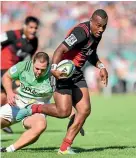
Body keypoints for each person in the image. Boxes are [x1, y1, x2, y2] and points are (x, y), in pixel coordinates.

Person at [15, 9, 109, 154]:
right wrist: (53, 69)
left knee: (84, 110)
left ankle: (65, 147)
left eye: (104, 26)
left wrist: (101, 66)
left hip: (77, 74)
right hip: (63, 73)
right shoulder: (80, 32)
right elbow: (59, 50)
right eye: (98, 25)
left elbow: (91, 53)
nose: (101, 29)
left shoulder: (97, 34)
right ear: (91, 21)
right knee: (63, 112)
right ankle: (33, 108)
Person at [0, 52, 52, 152]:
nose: (39, 72)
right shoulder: (23, 66)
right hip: (18, 103)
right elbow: (6, 77)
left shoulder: (53, 75)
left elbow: (63, 98)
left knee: (40, 125)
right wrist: (10, 93)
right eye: (37, 68)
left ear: (48, 65)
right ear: (33, 63)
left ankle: (8, 150)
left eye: (43, 69)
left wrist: (71, 115)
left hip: (36, 109)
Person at [0, 16, 39, 133]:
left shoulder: (34, 42)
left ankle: (4, 119)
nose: (33, 30)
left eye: (35, 28)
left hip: (13, 71)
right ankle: (16, 118)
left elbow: (27, 60)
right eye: (31, 27)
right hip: (3, 69)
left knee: (3, 95)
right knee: (19, 89)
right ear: (25, 26)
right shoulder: (13, 35)